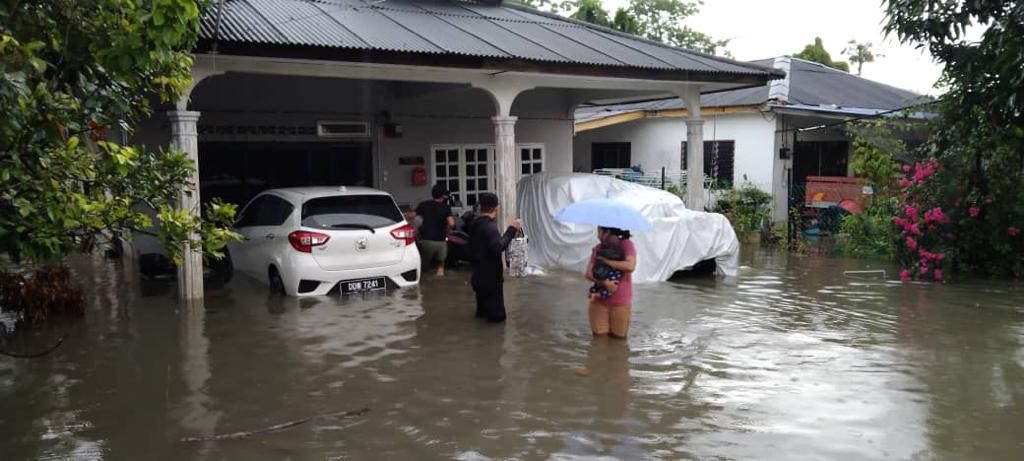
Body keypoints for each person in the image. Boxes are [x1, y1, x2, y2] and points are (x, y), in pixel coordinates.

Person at [467, 192, 522, 323]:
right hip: (490, 279)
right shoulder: (489, 226)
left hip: (478, 276)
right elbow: (498, 246)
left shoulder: (475, 224)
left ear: (480, 207)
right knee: (497, 318)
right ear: (497, 207)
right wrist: (512, 229)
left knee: (482, 315)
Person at [585, 227, 636, 338]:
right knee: (599, 340)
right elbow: (588, 273)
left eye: (599, 232)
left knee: (618, 340)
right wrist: (605, 283)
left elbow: (630, 266)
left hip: (620, 302)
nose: (597, 235)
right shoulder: (598, 248)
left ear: (607, 233)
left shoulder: (626, 245)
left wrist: (606, 261)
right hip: (599, 302)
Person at [415, 184, 455, 277]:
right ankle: (439, 284)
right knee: (440, 268)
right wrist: (447, 231)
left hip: (426, 242)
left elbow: (411, 216)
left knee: (423, 269)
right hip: (440, 242)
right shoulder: (446, 208)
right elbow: (452, 223)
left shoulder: (423, 205)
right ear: (443, 196)